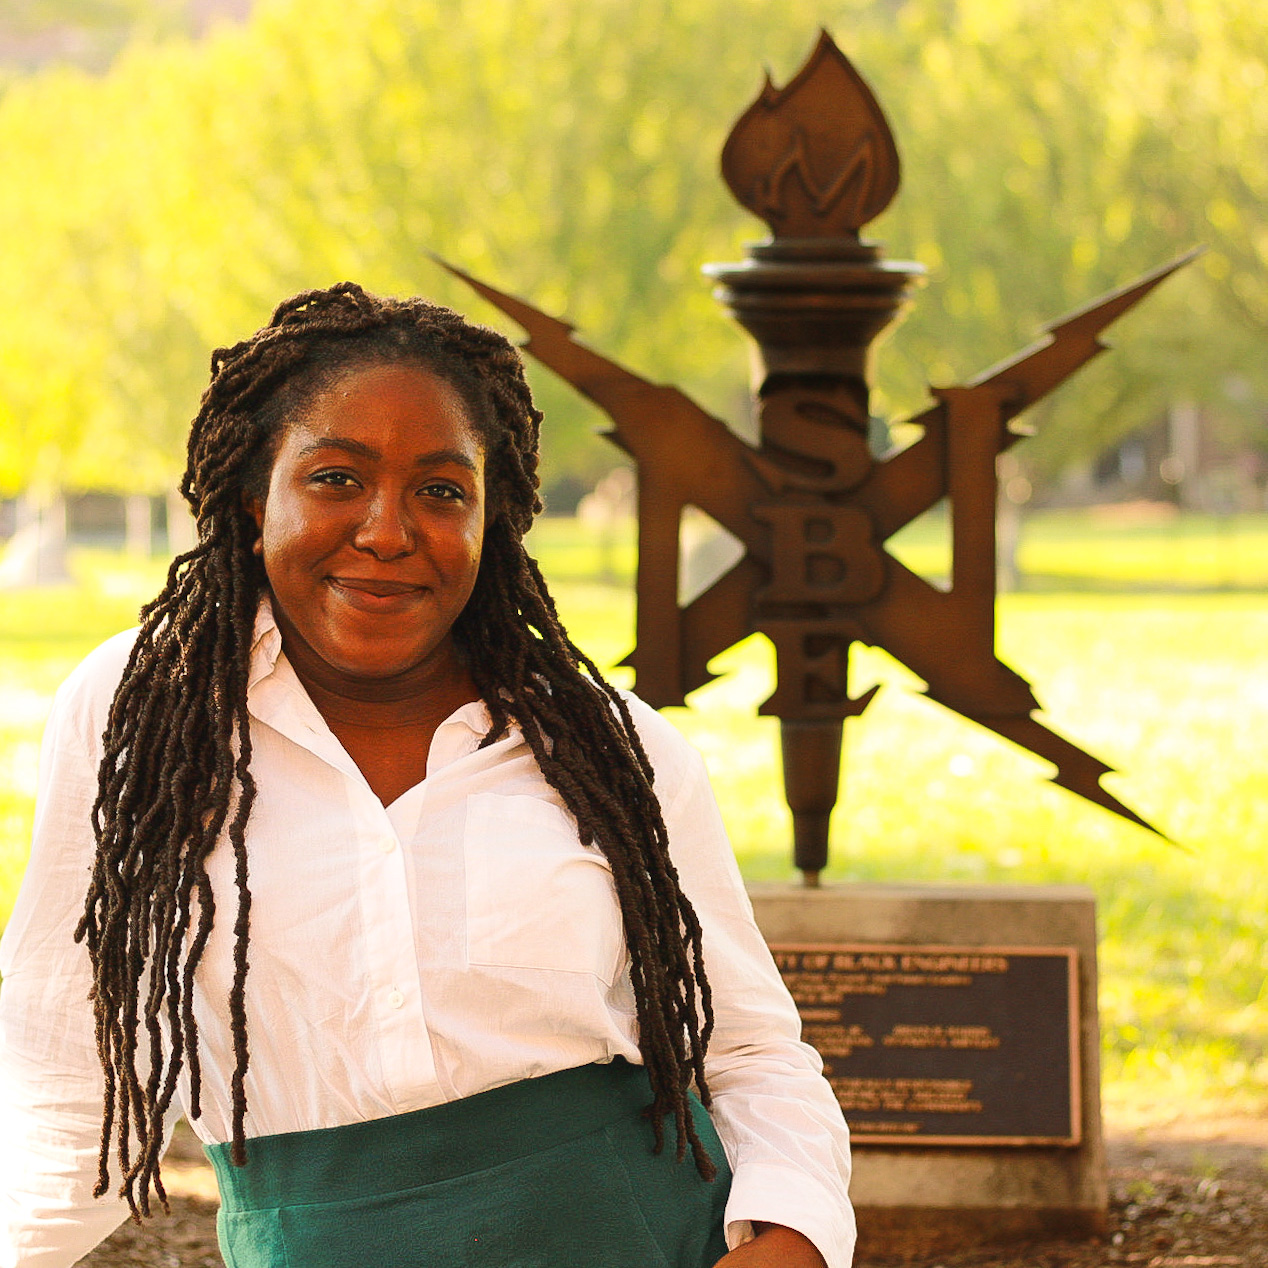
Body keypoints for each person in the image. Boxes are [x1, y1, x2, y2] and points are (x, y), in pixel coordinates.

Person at [0, 284, 854, 1267]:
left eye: (441, 490)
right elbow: (67, 1063)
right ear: (250, 495)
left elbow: (747, 1049)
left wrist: (788, 1238)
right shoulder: (145, 712)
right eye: (335, 478)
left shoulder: (611, 750)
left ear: (495, 519)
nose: (387, 530)